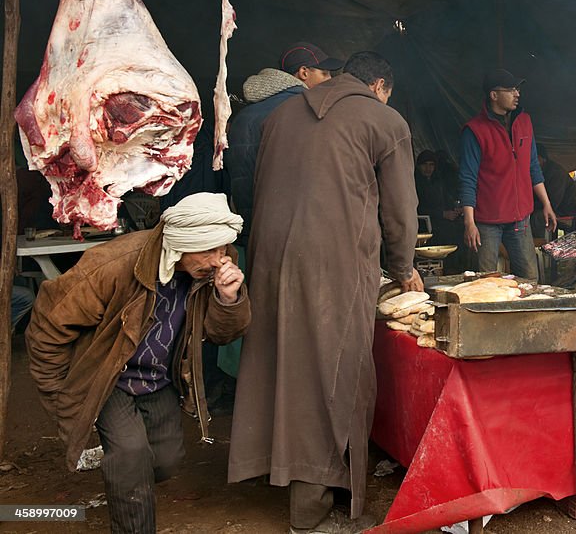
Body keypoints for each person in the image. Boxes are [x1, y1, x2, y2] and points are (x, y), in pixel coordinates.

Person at [228, 51, 421, 534]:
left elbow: (255, 187)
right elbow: (401, 211)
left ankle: (270, 470)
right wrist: (402, 269)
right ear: (379, 85)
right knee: (332, 370)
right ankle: (311, 513)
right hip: (332, 260)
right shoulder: (384, 119)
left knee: (280, 363)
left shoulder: (280, 113)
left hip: (269, 254)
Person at [25, 193, 249, 534]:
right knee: (131, 460)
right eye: (210, 252)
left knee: (165, 460)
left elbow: (220, 335)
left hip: (159, 376)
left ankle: (120, 464)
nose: (220, 261)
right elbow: (48, 326)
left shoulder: (213, 261)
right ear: (180, 244)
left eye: (223, 250)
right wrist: (62, 395)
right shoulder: (113, 264)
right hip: (108, 376)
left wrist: (227, 298)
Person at [225, 41, 344, 251]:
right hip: (299, 230)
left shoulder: (243, 117)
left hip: (254, 227)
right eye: (324, 73)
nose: (330, 80)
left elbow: (239, 178)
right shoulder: (308, 112)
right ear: (304, 72)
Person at [459, 69, 557, 281]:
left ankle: (530, 315)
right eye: (511, 89)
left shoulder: (524, 122)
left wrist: (546, 203)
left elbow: (533, 167)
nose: (517, 93)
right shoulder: (475, 130)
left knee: (530, 278)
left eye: (517, 89)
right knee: (486, 280)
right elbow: (468, 178)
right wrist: (469, 222)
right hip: (487, 221)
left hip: (520, 219)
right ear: (494, 95)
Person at [531, 143, 576, 238]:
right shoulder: (541, 171)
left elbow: (553, 202)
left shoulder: (556, 173)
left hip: (563, 209)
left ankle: (539, 243)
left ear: (541, 158)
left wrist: (533, 207)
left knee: (537, 217)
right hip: (550, 206)